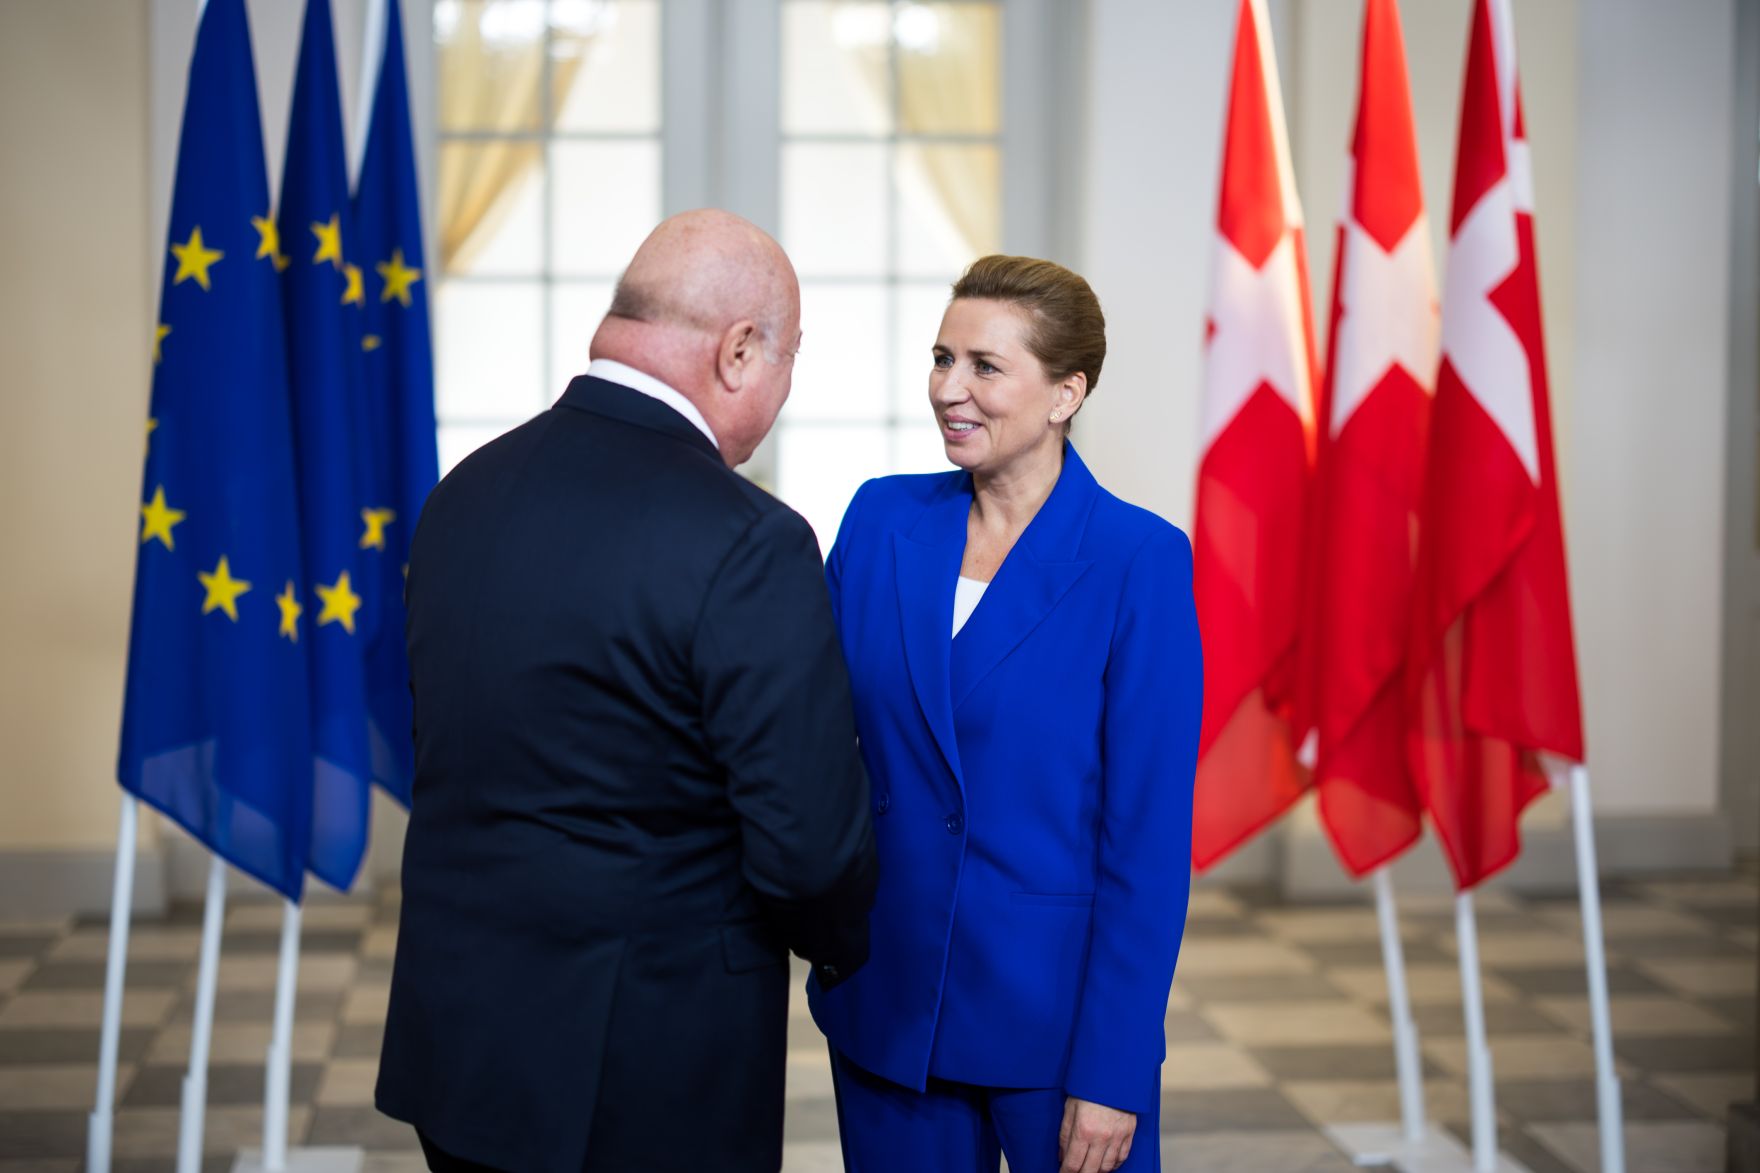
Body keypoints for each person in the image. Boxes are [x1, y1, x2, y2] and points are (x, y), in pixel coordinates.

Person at [377, 209, 878, 1173]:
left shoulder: (462, 495)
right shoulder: (749, 541)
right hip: (643, 1063)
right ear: (737, 351)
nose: (782, 391)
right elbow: (807, 849)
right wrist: (847, 949)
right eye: (788, 361)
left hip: (460, 1039)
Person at [810, 255, 1203, 1173]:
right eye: (943, 358)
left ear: (1067, 392)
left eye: (986, 366)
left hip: (1056, 1027)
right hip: (886, 1002)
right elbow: (816, 742)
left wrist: (1114, 1067)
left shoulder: (1138, 559)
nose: (951, 389)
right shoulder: (879, 520)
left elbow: (1145, 842)